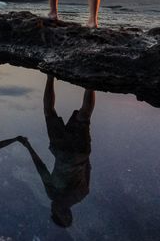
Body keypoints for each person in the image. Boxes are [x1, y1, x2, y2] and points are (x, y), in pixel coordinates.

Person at [19, 75, 95, 227]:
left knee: (80, 115)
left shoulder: (78, 194)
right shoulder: (59, 196)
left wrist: (85, 153)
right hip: (67, 151)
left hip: (72, 152)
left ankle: (89, 82)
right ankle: (53, 76)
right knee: (55, 113)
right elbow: (42, 169)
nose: (53, 210)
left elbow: (87, 168)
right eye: (56, 213)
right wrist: (28, 147)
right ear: (64, 213)